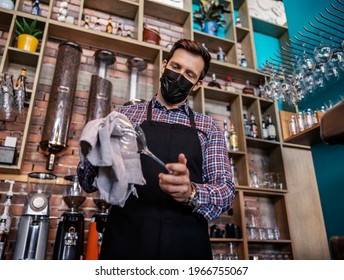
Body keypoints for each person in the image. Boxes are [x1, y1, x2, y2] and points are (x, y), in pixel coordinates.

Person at [77, 39, 236, 260]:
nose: (179, 76)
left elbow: (227, 191)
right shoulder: (127, 116)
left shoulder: (208, 127)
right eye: (175, 67)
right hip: (126, 242)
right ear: (164, 66)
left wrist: (191, 192)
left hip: (186, 246)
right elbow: (88, 183)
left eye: (190, 75)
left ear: (197, 84)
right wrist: (92, 152)